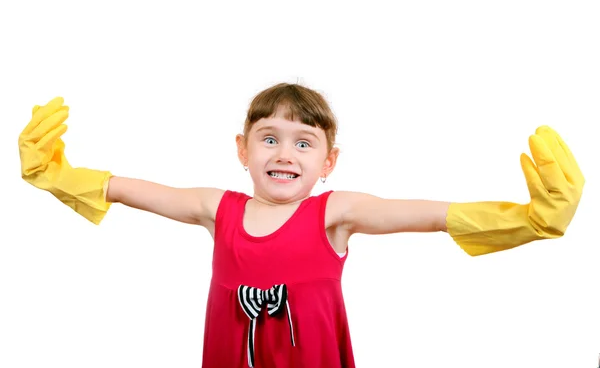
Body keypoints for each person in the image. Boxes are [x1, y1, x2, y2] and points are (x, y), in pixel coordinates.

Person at [18, 83, 585, 367]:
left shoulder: (334, 213)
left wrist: (530, 219)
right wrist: (57, 175)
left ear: (328, 161)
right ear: (243, 150)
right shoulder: (220, 209)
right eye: (269, 139)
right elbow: (134, 191)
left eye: (303, 143)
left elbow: (431, 216)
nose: (284, 153)